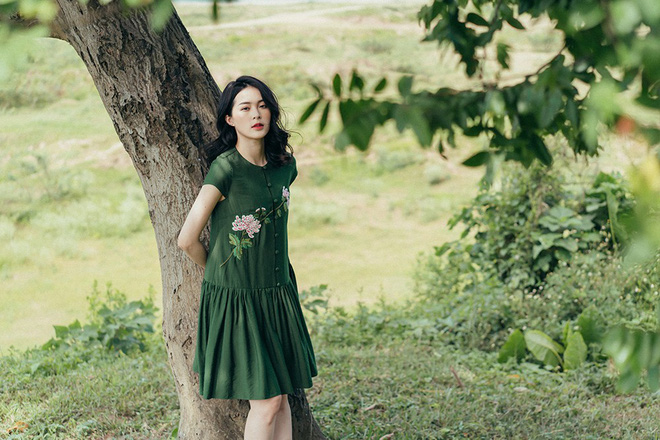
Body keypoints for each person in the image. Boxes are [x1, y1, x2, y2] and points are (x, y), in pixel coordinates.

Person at [177, 75, 318, 440]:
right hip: (237, 301)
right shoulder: (225, 169)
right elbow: (187, 239)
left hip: (277, 293)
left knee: (281, 400)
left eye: (262, 105)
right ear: (229, 118)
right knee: (267, 403)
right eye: (245, 108)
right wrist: (221, 273)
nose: (256, 114)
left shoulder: (285, 165)